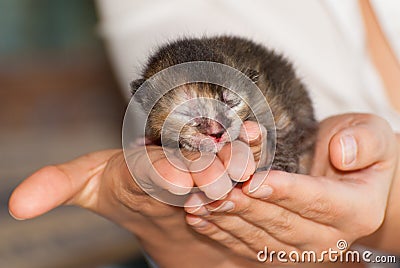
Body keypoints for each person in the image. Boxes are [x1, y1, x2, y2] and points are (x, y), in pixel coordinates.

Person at [9, 0, 400, 267]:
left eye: (224, 106)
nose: (213, 131)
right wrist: (181, 246)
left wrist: (388, 214)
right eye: (188, 117)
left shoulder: (263, 94)